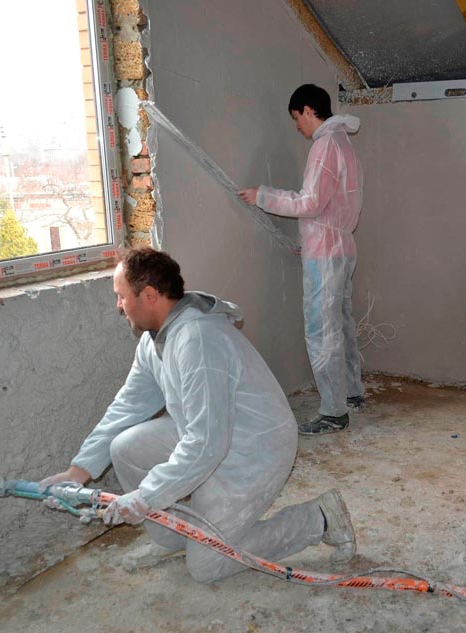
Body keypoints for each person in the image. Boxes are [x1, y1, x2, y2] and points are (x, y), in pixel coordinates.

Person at [40, 247, 356, 581]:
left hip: (253, 451)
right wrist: (77, 471)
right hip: (212, 435)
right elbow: (127, 407)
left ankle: (319, 518)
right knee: (125, 447)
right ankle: (176, 538)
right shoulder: (154, 341)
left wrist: (145, 498)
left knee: (207, 566)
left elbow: (207, 445)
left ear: (149, 296)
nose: (119, 305)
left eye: (121, 296)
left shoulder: (199, 341)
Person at [238, 83, 365, 436]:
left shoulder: (325, 146)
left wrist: (262, 195)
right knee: (341, 324)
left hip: (326, 252)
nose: (297, 126)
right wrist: (308, 243)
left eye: (297, 117)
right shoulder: (343, 143)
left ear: (309, 110)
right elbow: (334, 204)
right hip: (340, 247)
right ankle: (351, 392)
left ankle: (334, 412)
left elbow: (311, 202)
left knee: (321, 331)